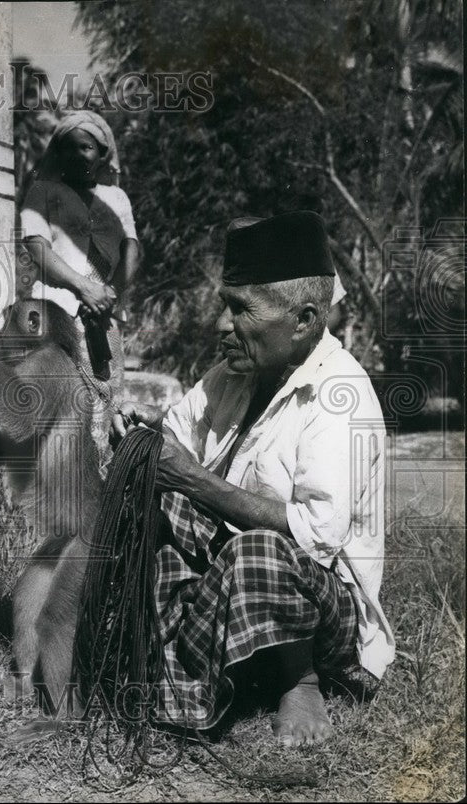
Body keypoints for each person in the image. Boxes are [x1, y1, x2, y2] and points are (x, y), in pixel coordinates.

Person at [112, 211, 394, 746]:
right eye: (226, 304)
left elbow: (316, 536)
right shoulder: (234, 373)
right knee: (155, 498)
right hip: (239, 578)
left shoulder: (341, 396)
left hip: (320, 611)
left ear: (304, 320)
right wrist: (146, 434)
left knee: (257, 547)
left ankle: (300, 682)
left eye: (240, 309)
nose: (223, 324)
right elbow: (177, 437)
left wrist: (191, 479)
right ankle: (169, 666)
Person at [19, 111, 141, 471]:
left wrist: (110, 293)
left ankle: (100, 483)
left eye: (86, 147)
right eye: (68, 148)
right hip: (57, 310)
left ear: (102, 153)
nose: (77, 155)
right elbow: (37, 246)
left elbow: (131, 248)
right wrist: (84, 287)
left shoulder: (116, 197)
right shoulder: (42, 192)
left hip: (104, 315)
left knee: (105, 398)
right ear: (58, 153)